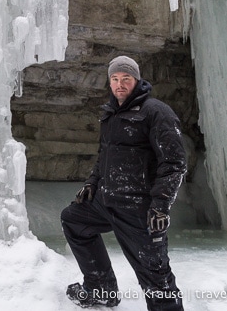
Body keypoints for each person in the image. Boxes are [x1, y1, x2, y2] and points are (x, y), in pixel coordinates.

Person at [61, 55, 187, 310]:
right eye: (115, 79)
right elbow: (104, 157)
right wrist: (92, 183)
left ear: (137, 80)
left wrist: (161, 205)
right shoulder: (110, 114)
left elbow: (174, 163)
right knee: (73, 219)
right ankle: (101, 289)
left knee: (156, 276)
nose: (120, 84)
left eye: (126, 79)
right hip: (105, 200)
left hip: (139, 209)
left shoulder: (156, 112)